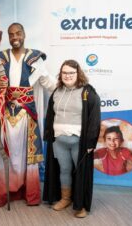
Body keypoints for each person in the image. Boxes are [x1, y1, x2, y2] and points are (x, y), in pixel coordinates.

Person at [0, 23, 56, 207]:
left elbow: (47, 82)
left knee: (26, 154)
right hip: (6, 113)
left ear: (24, 34)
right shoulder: (1, 58)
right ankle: (3, 189)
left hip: (27, 113)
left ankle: (28, 191)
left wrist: (69, 87)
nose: (15, 36)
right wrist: (2, 95)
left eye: (18, 33)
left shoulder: (35, 58)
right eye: (11, 34)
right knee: (6, 152)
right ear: (8, 36)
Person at [42, 60, 101, 218]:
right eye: (64, 73)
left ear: (78, 73)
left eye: (71, 73)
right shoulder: (57, 91)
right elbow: (50, 115)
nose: (67, 76)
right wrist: (49, 135)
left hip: (79, 143)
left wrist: (90, 142)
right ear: (60, 74)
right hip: (59, 141)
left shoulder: (88, 92)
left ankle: (81, 205)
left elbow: (95, 118)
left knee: (81, 173)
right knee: (64, 170)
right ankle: (65, 198)